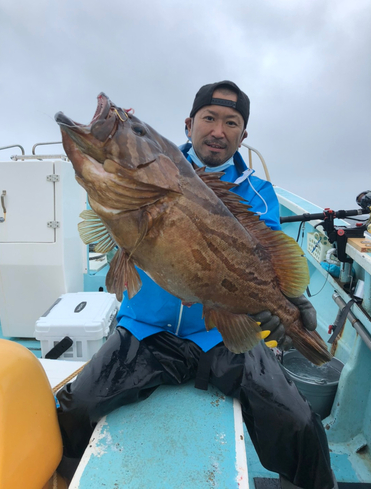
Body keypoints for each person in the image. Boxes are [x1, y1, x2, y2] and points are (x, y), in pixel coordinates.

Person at [56, 81, 337, 489]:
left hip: (220, 336)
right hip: (146, 331)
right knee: (76, 407)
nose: (218, 131)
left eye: (231, 122)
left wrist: (287, 305)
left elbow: (268, 261)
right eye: (209, 118)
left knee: (300, 424)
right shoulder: (151, 175)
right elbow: (104, 216)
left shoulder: (260, 195)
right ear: (189, 125)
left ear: (243, 135)